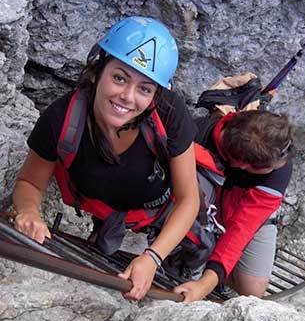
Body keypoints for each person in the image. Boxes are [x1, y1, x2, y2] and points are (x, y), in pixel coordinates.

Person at [12, 16, 219, 301]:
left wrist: (152, 258)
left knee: (187, 262)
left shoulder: (169, 114)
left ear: (156, 94)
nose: (127, 97)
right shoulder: (62, 119)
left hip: (163, 207)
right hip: (109, 211)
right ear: (98, 72)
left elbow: (188, 200)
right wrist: (29, 212)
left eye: (144, 88)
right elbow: (29, 183)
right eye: (119, 78)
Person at [174, 73, 294, 301]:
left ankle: (219, 268)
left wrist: (205, 284)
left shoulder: (277, 168)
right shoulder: (195, 136)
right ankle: (196, 252)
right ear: (241, 164)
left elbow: (240, 230)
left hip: (245, 212)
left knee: (253, 291)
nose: (281, 168)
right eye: (269, 168)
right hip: (204, 205)